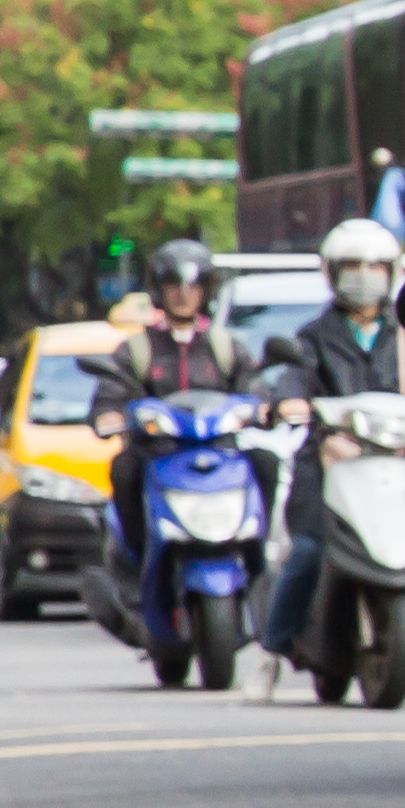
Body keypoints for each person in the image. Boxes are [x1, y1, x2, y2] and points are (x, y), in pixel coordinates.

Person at [247, 217, 405, 698]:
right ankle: (269, 656)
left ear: (393, 272)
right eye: (352, 266)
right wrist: (291, 403)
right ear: (331, 272)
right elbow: (294, 380)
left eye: (375, 266)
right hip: (328, 466)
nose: (364, 276)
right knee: (308, 551)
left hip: (398, 464)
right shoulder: (313, 336)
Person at [88, 238, 258, 586]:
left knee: (265, 463)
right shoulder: (137, 350)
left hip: (219, 455)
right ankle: (136, 561)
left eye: (194, 285)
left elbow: (254, 387)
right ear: (158, 289)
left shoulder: (225, 347)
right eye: (173, 284)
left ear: (207, 290)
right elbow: (110, 394)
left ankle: (256, 556)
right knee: (123, 469)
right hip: (157, 455)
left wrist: (265, 406)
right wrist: (109, 415)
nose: (183, 293)